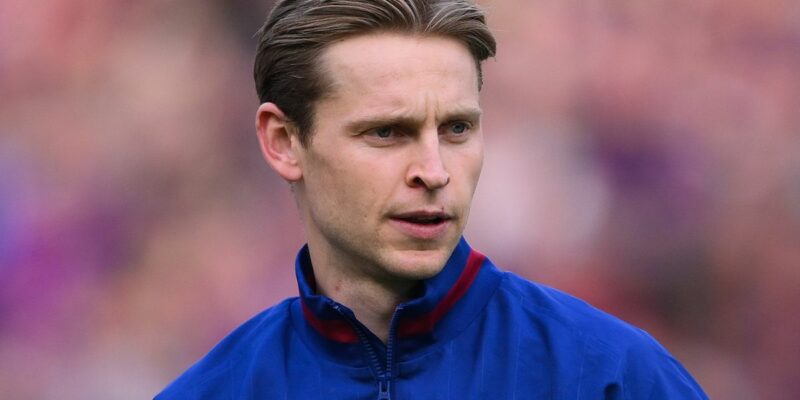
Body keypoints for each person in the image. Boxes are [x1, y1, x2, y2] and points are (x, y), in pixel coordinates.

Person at [156, 0, 708, 398]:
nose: (435, 171)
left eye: (456, 129)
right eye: (386, 132)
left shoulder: (614, 377)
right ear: (283, 142)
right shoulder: (213, 391)